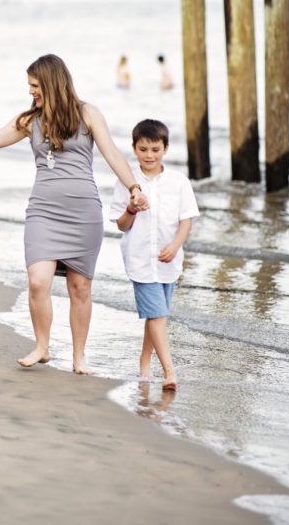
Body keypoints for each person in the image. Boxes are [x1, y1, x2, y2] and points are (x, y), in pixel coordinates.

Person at [0, 54, 148, 372]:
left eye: (34, 86)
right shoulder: (30, 120)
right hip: (43, 211)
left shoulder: (88, 114)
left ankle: (79, 357)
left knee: (80, 288)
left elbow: (112, 153)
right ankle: (42, 346)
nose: (31, 92)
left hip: (83, 212)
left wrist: (134, 187)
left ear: (51, 82)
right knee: (37, 282)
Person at [110, 119, 198, 391]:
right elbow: (121, 225)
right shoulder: (126, 183)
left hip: (169, 260)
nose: (149, 155)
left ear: (166, 149)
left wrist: (176, 245)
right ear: (134, 149)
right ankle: (169, 371)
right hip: (140, 260)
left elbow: (186, 219)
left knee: (155, 315)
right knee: (158, 316)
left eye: (155, 149)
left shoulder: (178, 182)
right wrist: (132, 209)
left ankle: (144, 361)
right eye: (144, 149)